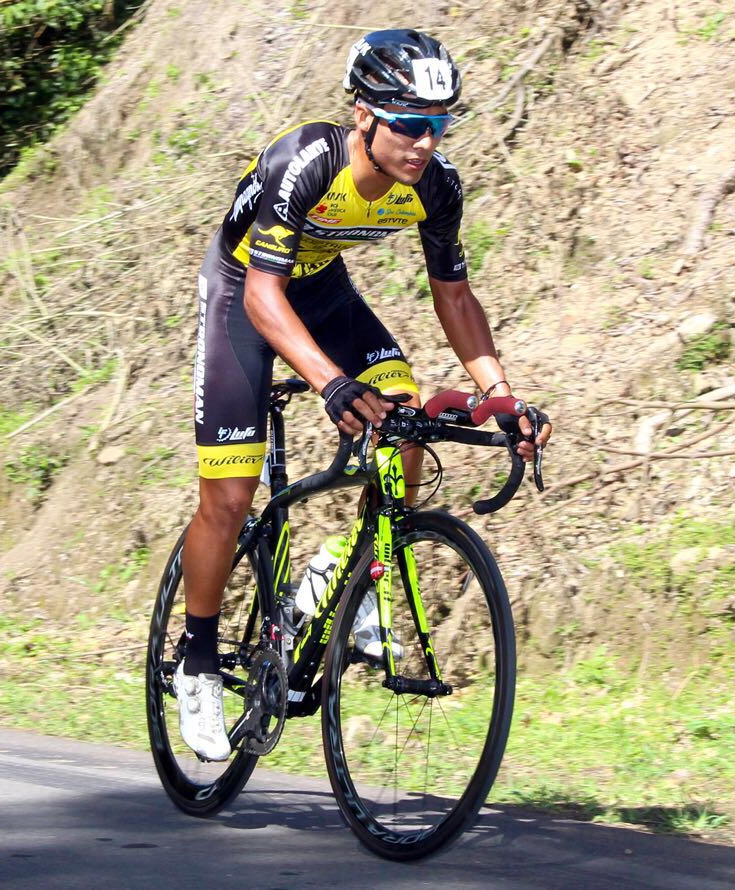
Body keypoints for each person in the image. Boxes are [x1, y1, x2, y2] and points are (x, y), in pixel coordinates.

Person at [178, 29, 551, 761]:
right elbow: (260, 292)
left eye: (440, 124)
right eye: (410, 123)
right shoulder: (306, 160)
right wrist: (329, 381)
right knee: (228, 494)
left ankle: (346, 572)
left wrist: (501, 398)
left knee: (404, 413)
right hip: (244, 293)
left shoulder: (435, 186)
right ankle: (196, 660)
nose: (425, 141)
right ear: (363, 115)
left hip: (320, 293)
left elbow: (456, 297)